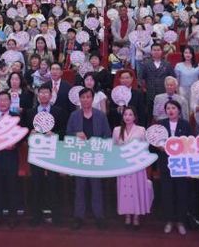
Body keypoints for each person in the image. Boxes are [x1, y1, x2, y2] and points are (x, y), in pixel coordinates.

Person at [66, 88, 111, 230]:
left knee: (96, 188)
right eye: (83, 97)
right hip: (80, 157)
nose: (85, 99)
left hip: (96, 157)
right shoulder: (74, 115)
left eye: (88, 97)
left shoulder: (100, 116)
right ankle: (78, 217)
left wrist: (98, 143)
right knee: (79, 188)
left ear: (92, 99)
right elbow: (67, 134)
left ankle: (99, 217)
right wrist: (75, 135)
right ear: (79, 100)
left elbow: (107, 135)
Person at [24, 84, 67, 226]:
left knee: (54, 184)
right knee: (36, 184)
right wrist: (29, 134)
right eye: (41, 93)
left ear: (51, 95)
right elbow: (24, 131)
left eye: (46, 92)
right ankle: (36, 216)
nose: (43, 95)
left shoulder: (58, 111)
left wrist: (55, 134)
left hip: (53, 152)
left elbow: (64, 130)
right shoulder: (30, 112)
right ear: (37, 96)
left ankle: (56, 217)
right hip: (36, 153)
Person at [156, 99, 193, 235]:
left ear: (179, 110)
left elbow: (191, 143)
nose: (170, 110)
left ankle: (180, 221)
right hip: (166, 164)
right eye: (168, 108)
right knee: (167, 193)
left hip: (181, 165)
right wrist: (159, 147)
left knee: (181, 193)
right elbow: (153, 143)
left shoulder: (185, 124)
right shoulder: (161, 125)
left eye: (173, 108)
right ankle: (169, 221)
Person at [112, 106, 152, 229]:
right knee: (125, 191)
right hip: (123, 166)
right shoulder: (117, 130)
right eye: (125, 114)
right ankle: (127, 216)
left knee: (136, 190)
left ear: (134, 117)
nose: (127, 117)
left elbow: (145, 147)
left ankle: (136, 216)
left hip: (137, 166)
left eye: (130, 115)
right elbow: (114, 148)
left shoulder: (141, 130)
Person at [0, 91, 21, 227]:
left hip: (11, 157)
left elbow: (21, 135)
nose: (2, 102)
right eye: (0, 100)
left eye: (5, 100)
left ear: (10, 102)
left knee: (12, 187)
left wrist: (15, 144)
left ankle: (13, 217)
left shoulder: (16, 117)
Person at [141, 42, 175, 107]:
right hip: (150, 94)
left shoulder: (167, 64)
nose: (156, 52)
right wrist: (145, 89)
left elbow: (172, 78)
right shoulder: (146, 64)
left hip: (164, 93)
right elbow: (142, 78)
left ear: (162, 51)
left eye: (158, 50)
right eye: (154, 50)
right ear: (151, 52)